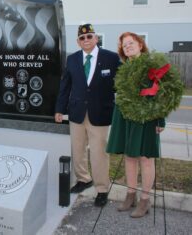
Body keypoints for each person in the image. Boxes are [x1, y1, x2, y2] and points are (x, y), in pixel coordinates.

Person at [55, 23, 120, 207]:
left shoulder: (111, 58)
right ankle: (83, 179)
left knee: (99, 153)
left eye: (89, 36)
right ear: (78, 41)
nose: (86, 40)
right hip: (76, 112)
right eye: (82, 38)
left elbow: (121, 82)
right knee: (77, 150)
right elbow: (65, 86)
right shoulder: (72, 59)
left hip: (99, 113)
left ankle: (101, 189)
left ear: (96, 38)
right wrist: (60, 109)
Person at [106, 32, 165, 218]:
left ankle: (145, 200)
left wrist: (160, 119)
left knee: (146, 158)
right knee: (129, 157)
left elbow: (162, 94)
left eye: (131, 43)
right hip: (125, 117)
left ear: (140, 44)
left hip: (146, 118)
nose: (128, 47)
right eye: (124, 45)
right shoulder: (123, 68)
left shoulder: (152, 66)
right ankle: (130, 195)